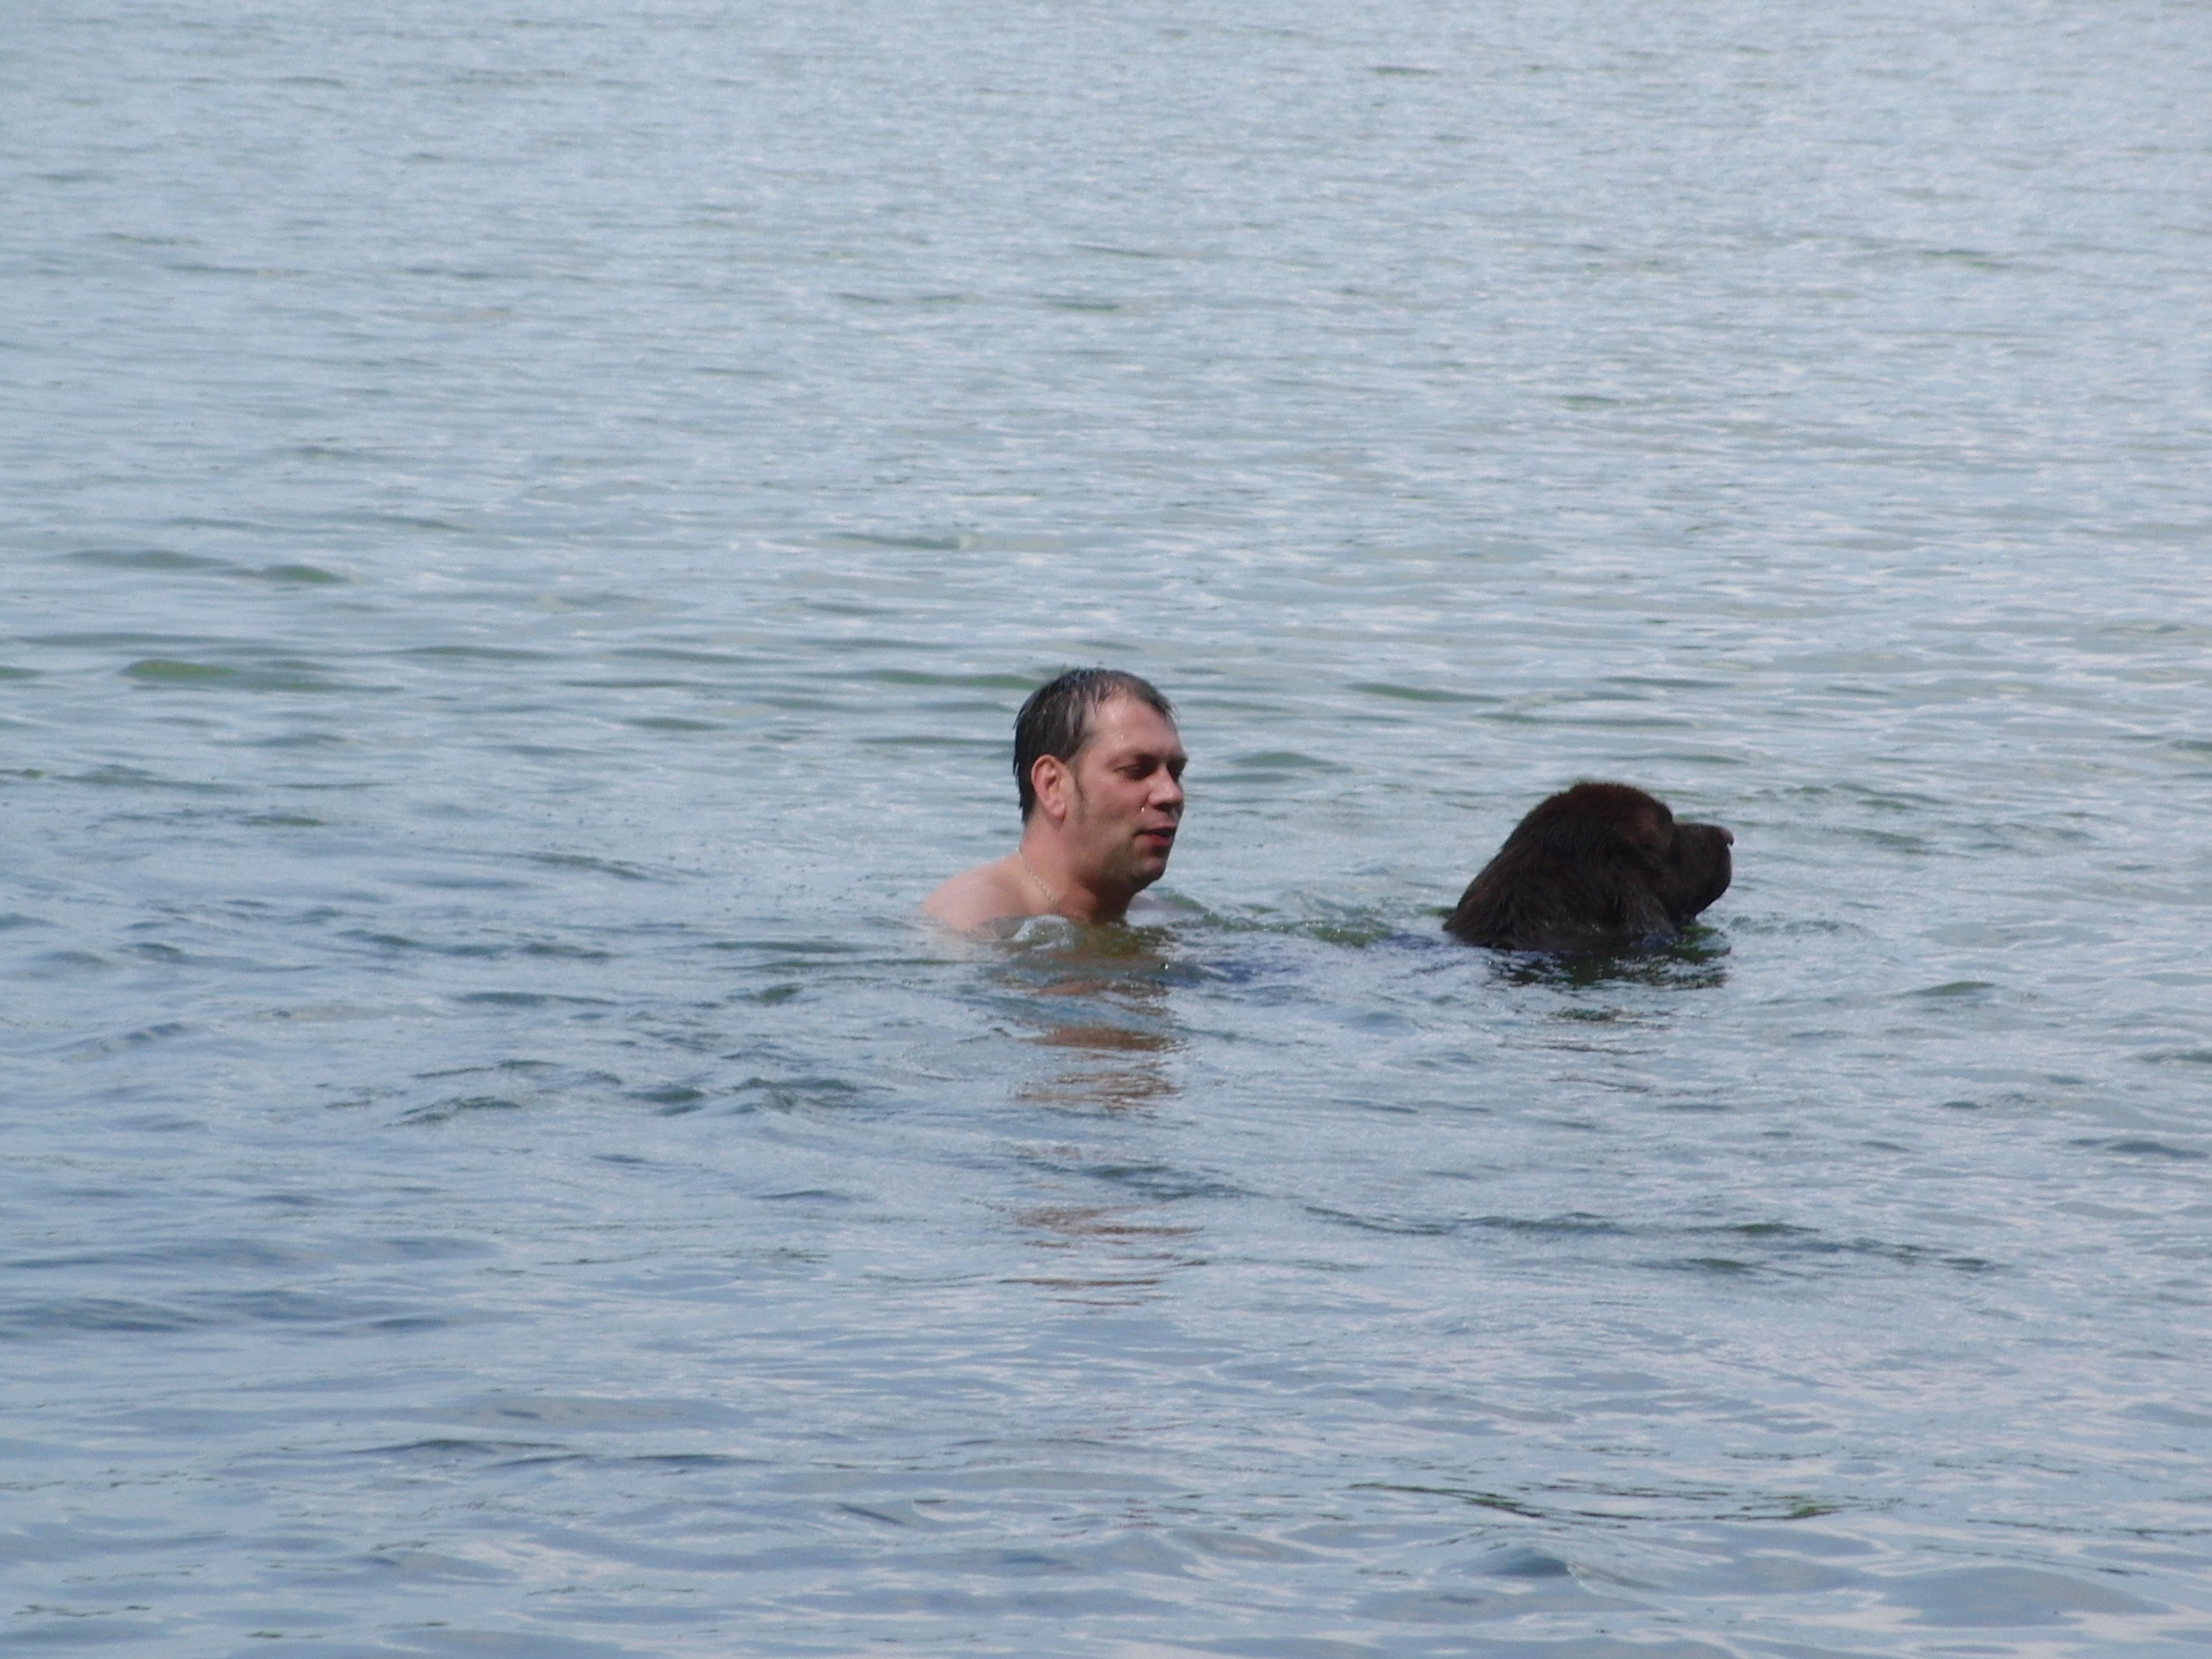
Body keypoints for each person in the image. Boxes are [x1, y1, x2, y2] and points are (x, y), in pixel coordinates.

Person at [924, 668, 1186, 930]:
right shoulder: (974, 922)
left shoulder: (1158, 915)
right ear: (1053, 786)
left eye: (1175, 773)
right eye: (1135, 770)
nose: (1171, 794)